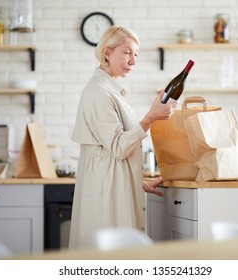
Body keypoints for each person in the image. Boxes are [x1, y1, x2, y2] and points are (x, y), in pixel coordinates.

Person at [69, 25, 177, 249]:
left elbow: (115, 150)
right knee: (110, 259)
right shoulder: (98, 92)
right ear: (106, 53)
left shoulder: (109, 90)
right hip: (106, 193)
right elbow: (119, 147)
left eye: (135, 54)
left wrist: (135, 181)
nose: (133, 61)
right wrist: (151, 117)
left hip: (113, 186)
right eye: (127, 52)